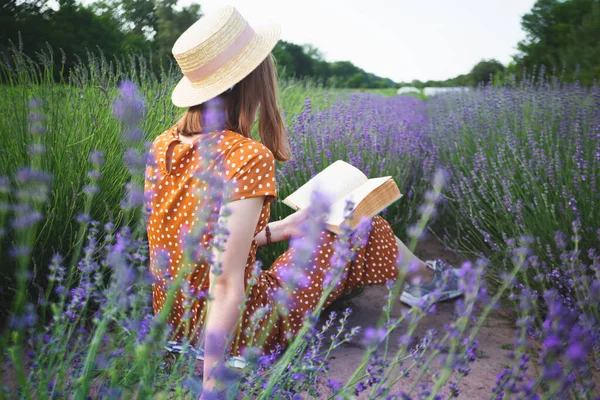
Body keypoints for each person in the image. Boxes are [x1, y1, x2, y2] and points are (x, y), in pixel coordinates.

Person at [143, 6, 463, 395]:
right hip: (246, 332)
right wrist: (212, 384)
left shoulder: (164, 145)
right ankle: (428, 281)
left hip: (175, 321)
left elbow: (193, 243)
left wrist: (283, 229)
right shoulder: (246, 155)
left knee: (328, 227)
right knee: (361, 223)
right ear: (255, 77)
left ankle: (426, 281)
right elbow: (225, 282)